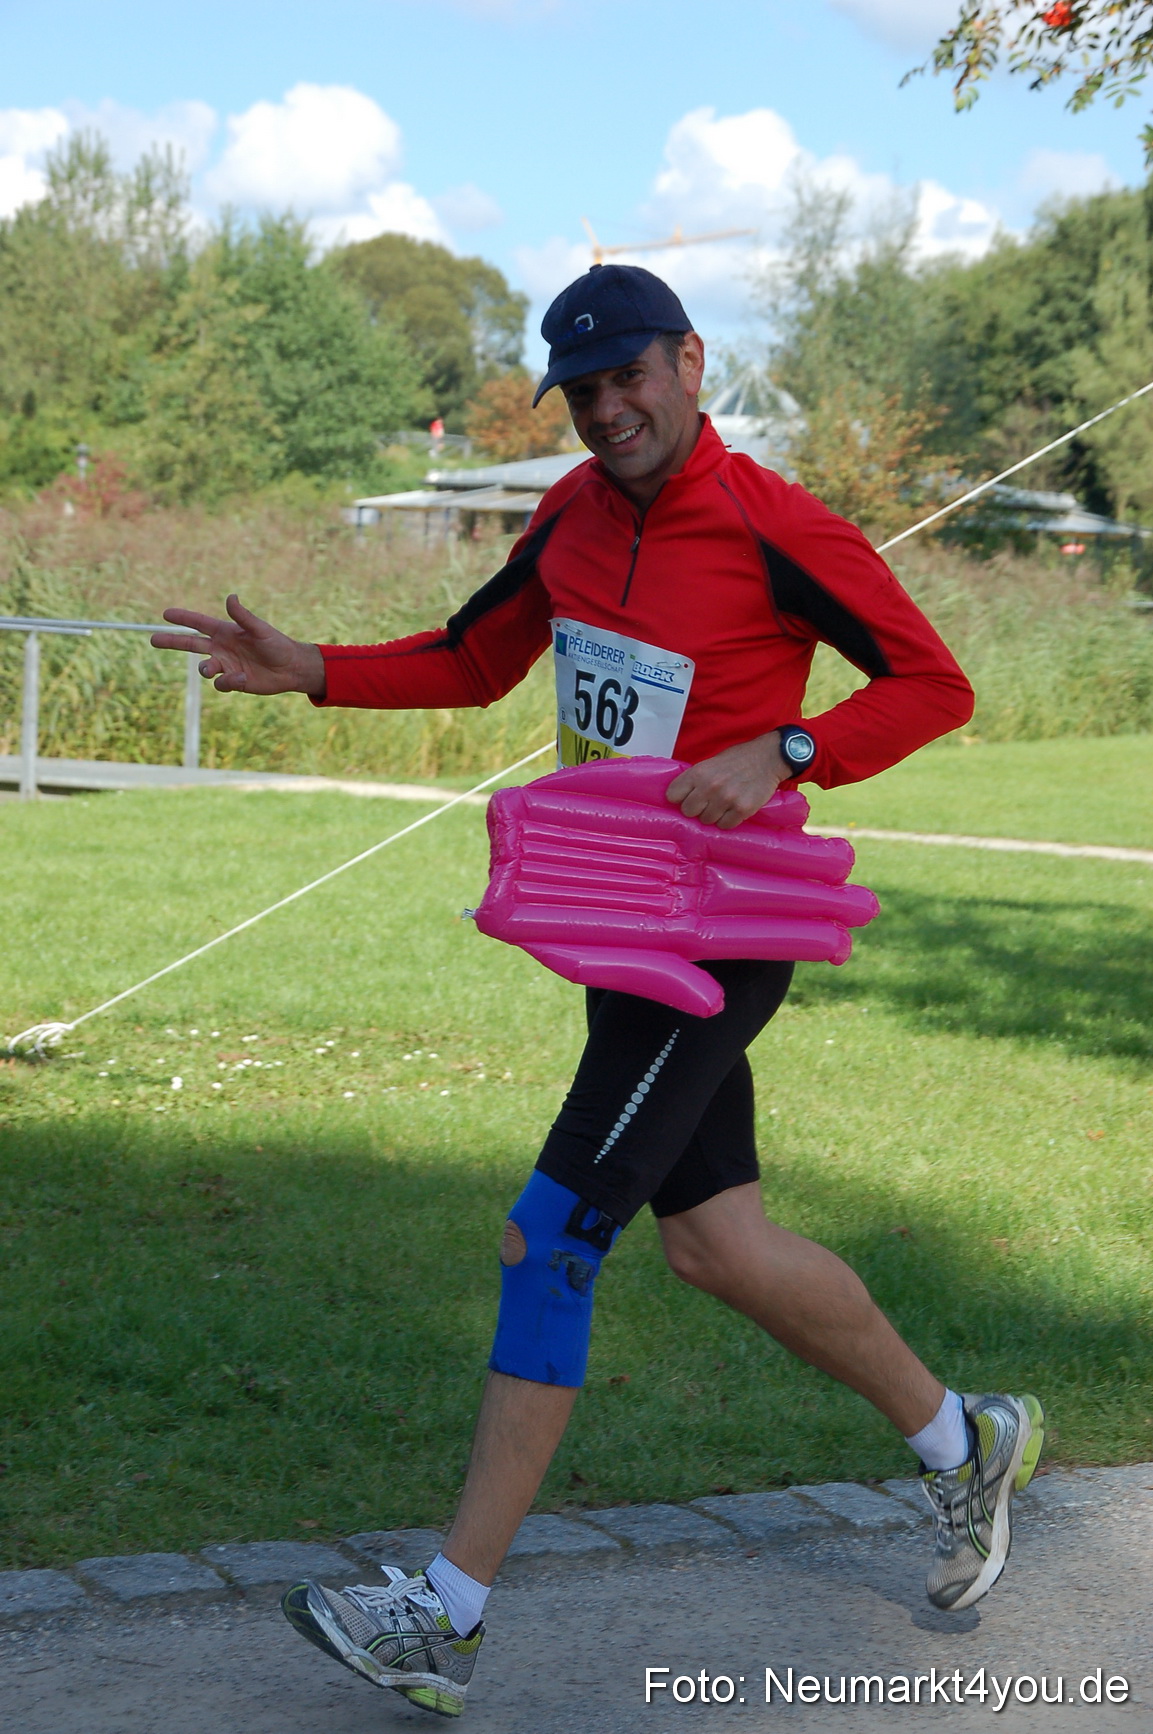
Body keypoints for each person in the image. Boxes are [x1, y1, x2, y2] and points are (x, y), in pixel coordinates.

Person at [153, 264, 1044, 1721]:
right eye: (581, 391)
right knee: (719, 1248)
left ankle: (446, 1613)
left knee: (549, 1231)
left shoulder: (776, 524)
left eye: (629, 375)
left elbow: (930, 682)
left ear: (690, 362)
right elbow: (469, 657)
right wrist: (311, 665)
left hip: (717, 936)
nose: (609, 408)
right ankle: (965, 1442)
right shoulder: (569, 514)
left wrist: (792, 752)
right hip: (614, 924)